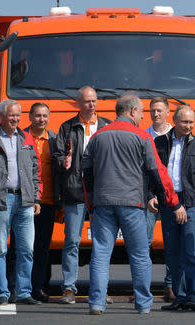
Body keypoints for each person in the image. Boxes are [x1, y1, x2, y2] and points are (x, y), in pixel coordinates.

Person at [82, 92, 186, 315]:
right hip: (132, 203)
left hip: (102, 203)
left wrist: (91, 205)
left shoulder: (97, 136)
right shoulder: (142, 137)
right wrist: (173, 202)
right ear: (131, 111)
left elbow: (86, 174)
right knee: (139, 255)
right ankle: (143, 304)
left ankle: (97, 303)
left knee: (100, 254)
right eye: (140, 113)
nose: (142, 118)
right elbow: (158, 172)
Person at [0, 99, 42, 305]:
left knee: (26, 250)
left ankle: (23, 292)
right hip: (0, 201)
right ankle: (2, 293)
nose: (15, 119)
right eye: (11, 115)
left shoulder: (28, 139)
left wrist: (37, 197)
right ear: (1, 116)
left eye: (18, 116)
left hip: (26, 200)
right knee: (0, 249)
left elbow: (35, 172)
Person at [155, 105, 195, 312]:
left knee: (192, 252)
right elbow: (150, 172)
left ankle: (194, 297)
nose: (189, 126)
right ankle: (180, 297)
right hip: (168, 204)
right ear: (175, 121)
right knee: (173, 253)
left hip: (192, 204)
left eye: (191, 122)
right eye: (185, 122)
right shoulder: (159, 143)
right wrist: (149, 197)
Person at [54, 86, 111, 304]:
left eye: (94, 101)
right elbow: (58, 154)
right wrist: (63, 162)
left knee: (101, 242)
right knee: (72, 241)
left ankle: (100, 288)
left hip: (101, 191)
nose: (91, 105)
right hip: (75, 190)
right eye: (87, 101)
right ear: (78, 102)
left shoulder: (106, 125)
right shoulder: (67, 127)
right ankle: (69, 288)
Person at [6, 102, 60, 302]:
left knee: (41, 248)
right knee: (17, 247)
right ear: (30, 116)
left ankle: (37, 288)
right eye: (37, 115)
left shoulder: (54, 140)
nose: (42, 119)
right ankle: (13, 287)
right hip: (22, 201)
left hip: (46, 202)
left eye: (45, 115)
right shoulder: (19, 137)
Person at [145, 96, 175, 302]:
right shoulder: (143, 135)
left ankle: (170, 285)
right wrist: (149, 195)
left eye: (159, 110)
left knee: (172, 243)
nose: (156, 114)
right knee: (143, 244)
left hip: (172, 197)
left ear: (167, 112)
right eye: (152, 111)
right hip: (148, 197)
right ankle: (143, 287)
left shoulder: (177, 134)